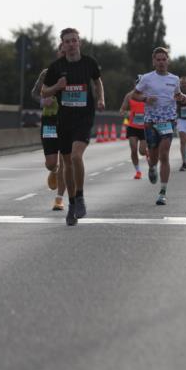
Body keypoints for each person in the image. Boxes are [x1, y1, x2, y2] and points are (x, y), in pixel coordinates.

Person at [41, 28, 105, 226]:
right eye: (67, 41)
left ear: (79, 43)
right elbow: (44, 92)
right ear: (62, 44)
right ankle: (70, 205)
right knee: (66, 162)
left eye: (74, 41)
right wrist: (57, 87)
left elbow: (98, 82)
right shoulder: (56, 67)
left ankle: (80, 197)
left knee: (77, 156)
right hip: (64, 120)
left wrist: (101, 98)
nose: (70, 44)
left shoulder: (89, 63)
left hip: (84, 117)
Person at [130, 48, 186, 205]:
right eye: (158, 60)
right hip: (151, 121)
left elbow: (179, 95)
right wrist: (145, 99)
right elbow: (134, 95)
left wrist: (182, 97)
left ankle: (163, 192)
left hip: (168, 121)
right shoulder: (147, 78)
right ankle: (152, 167)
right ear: (154, 61)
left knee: (164, 154)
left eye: (164, 59)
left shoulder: (174, 79)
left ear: (168, 61)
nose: (161, 62)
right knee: (154, 156)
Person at [31, 45, 66, 211]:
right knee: (51, 162)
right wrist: (42, 101)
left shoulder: (77, 74)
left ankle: (59, 199)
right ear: (58, 53)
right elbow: (34, 93)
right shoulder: (47, 73)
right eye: (62, 52)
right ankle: (53, 170)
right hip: (50, 121)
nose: (65, 54)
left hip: (68, 120)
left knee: (66, 159)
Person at [120, 82, 148, 178]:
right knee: (133, 149)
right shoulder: (129, 96)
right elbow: (122, 110)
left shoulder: (147, 96)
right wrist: (126, 113)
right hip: (132, 127)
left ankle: (148, 154)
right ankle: (138, 171)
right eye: (137, 84)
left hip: (144, 127)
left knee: (142, 151)